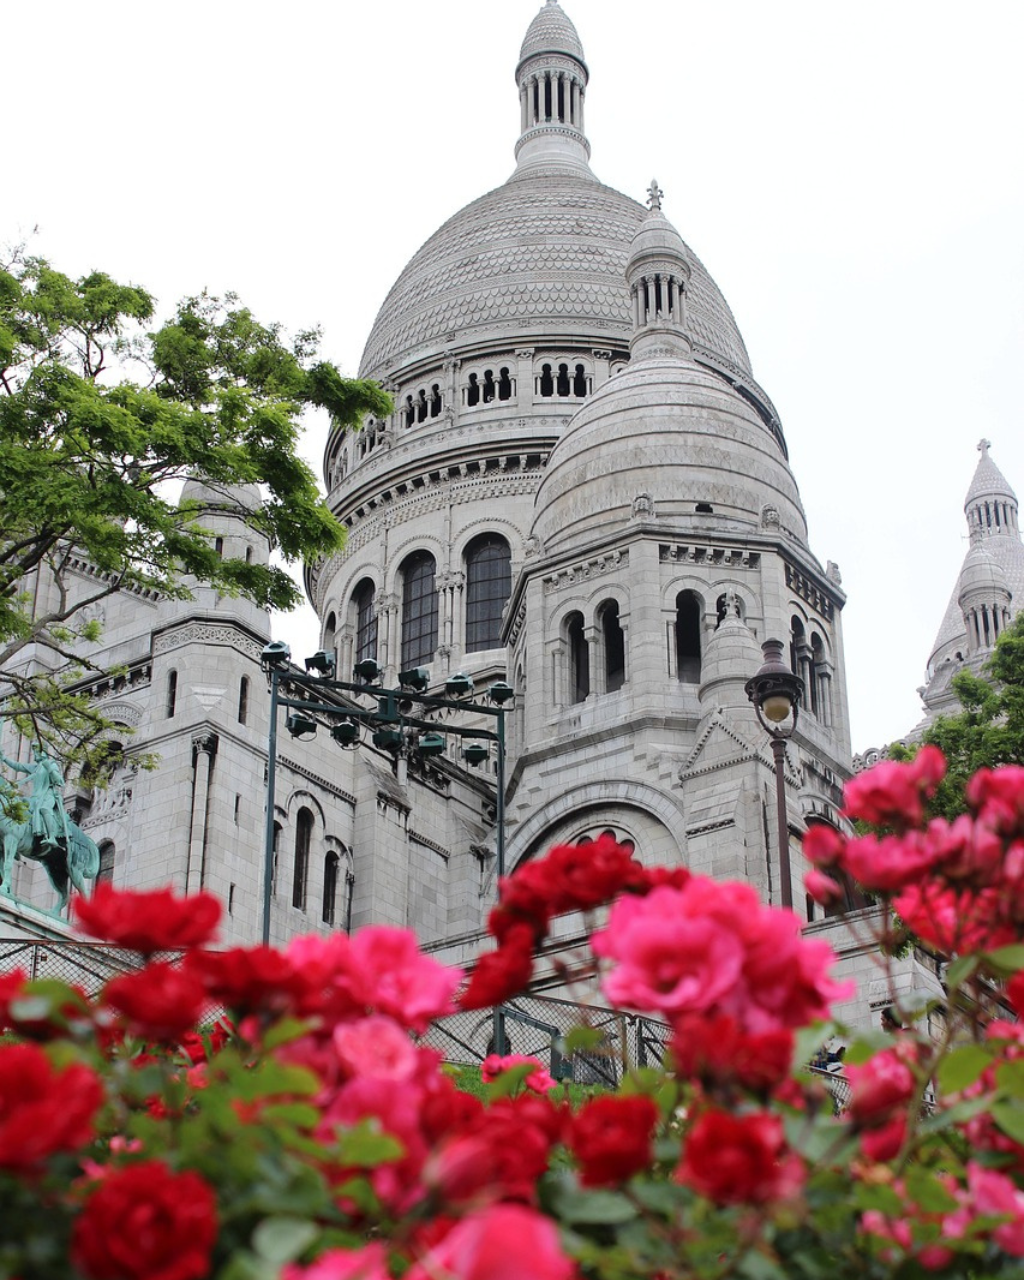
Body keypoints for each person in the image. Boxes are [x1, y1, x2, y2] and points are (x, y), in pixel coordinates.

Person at [0, 746, 69, 853]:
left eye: (37, 751)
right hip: (35, 797)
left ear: (43, 753)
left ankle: (52, 837)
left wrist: (49, 769)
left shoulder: (50, 764)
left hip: (48, 795)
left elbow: (59, 781)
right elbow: (18, 766)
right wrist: (4, 758)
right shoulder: (36, 767)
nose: (34, 754)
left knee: (44, 808)